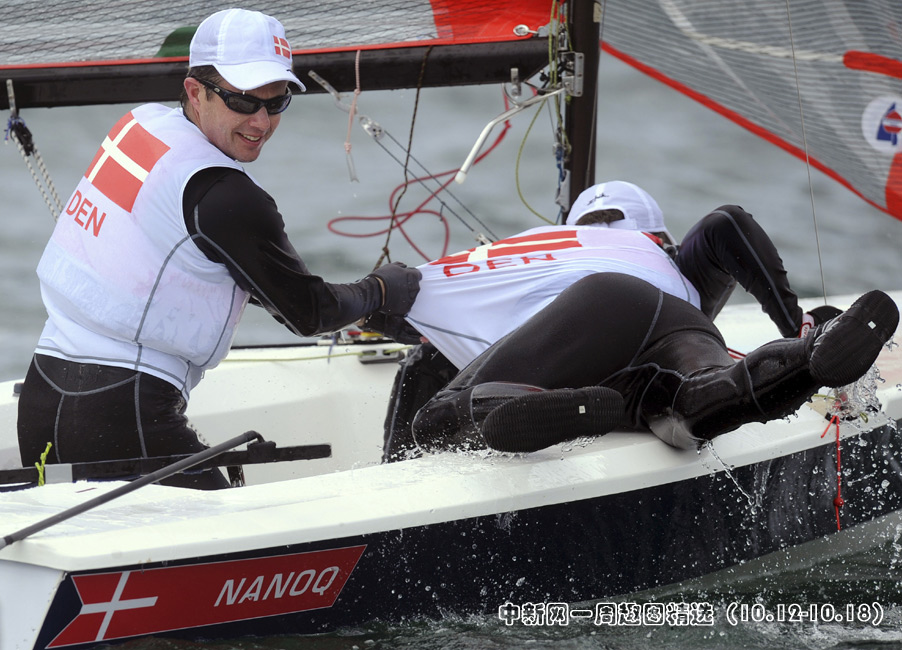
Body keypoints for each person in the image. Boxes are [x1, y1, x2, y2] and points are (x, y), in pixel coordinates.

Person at [16, 8, 421, 489]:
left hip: (42, 399)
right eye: (243, 101)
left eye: (277, 102)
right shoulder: (225, 195)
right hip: (123, 417)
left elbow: (187, 259)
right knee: (246, 535)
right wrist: (381, 290)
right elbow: (310, 312)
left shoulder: (140, 127)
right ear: (195, 91)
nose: (261, 122)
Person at [375, 181, 897, 458]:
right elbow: (727, 224)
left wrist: (382, 306)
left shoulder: (539, 265)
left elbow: (432, 329)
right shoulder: (668, 270)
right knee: (694, 405)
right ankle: (808, 358)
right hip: (654, 352)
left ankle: (406, 468)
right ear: (660, 242)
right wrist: (798, 323)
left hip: (549, 360)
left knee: (431, 390)